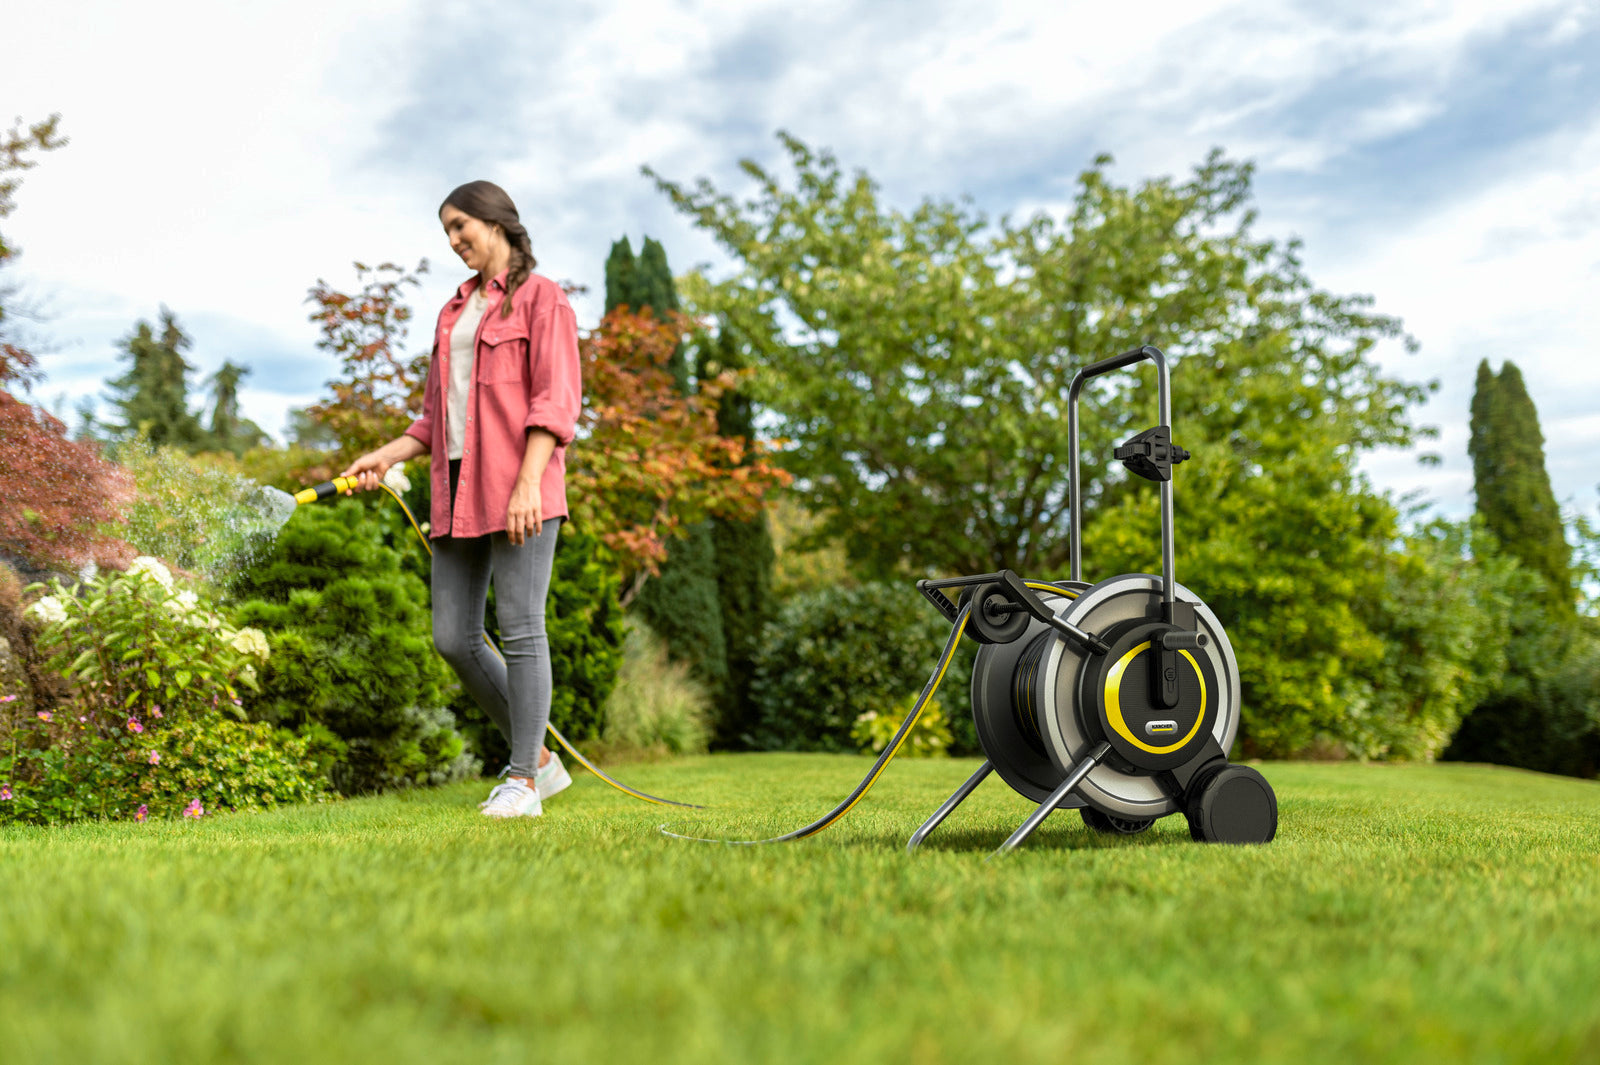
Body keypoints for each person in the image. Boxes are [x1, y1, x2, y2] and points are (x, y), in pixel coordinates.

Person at [341, 180, 581, 819]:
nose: (453, 241)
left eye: (459, 226)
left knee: (522, 629)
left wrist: (528, 484)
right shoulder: (453, 313)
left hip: (520, 486)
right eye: (446, 231)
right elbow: (433, 418)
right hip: (455, 489)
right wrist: (386, 455)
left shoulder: (543, 299)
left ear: (495, 222)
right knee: (453, 636)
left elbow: (555, 403)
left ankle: (523, 780)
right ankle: (541, 761)